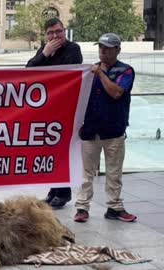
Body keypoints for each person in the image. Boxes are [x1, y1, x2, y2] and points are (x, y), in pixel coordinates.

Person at [74, 33, 137, 223]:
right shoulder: (88, 72)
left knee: (114, 172)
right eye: (101, 47)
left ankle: (114, 208)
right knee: (86, 173)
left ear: (117, 50)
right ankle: (82, 207)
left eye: (108, 48)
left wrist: (100, 73)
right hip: (90, 130)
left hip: (114, 131)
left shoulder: (126, 72)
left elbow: (116, 93)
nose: (103, 51)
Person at [26, 17, 83, 208]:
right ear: (45, 35)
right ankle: (54, 189)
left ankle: (64, 192)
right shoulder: (44, 50)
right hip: (47, 111)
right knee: (50, 151)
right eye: (50, 33)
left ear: (64, 31)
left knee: (62, 151)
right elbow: (28, 72)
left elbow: (67, 73)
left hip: (66, 110)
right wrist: (44, 54)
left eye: (58, 31)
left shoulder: (73, 49)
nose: (55, 36)